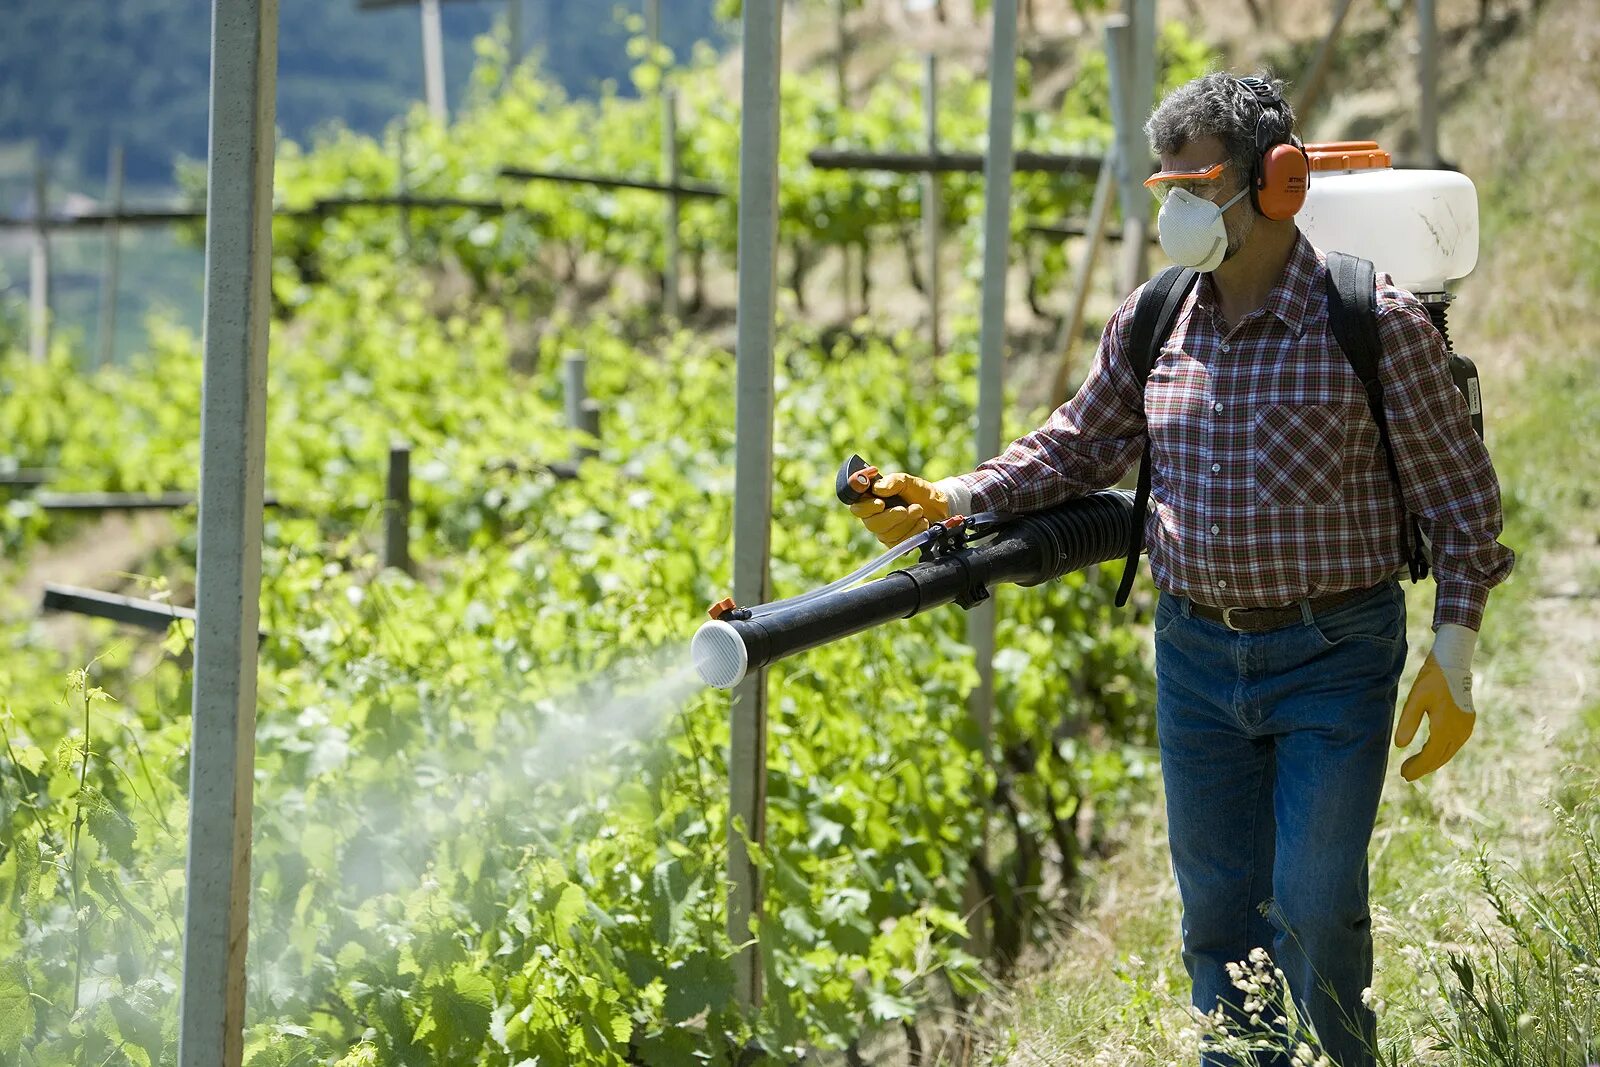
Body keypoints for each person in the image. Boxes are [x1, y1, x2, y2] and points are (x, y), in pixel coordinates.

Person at [848, 72, 1514, 1067]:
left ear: (1276, 181)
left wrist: (1451, 650)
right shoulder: (1157, 318)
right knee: (1216, 922)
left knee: (1314, 907)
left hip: (1332, 655)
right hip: (1195, 659)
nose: (1177, 210)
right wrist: (951, 495)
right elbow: (1072, 447)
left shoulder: (1366, 320)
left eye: (1198, 184)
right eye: (1168, 188)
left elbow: (1460, 498)